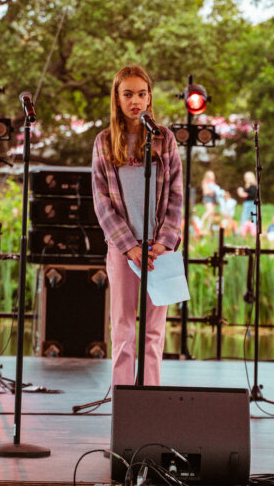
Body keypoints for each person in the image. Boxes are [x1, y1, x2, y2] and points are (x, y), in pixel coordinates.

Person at [91, 64, 183, 387]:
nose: (136, 101)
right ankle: (123, 404)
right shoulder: (104, 143)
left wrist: (163, 242)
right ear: (117, 98)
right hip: (123, 249)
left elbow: (176, 196)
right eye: (128, 94)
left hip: (160, 249)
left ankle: (152, 402)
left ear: (149, 98)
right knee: (124, 329)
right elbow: (102, 203)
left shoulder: (165, 140)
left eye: (141, 94)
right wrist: (129, 246)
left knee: (154, 332)